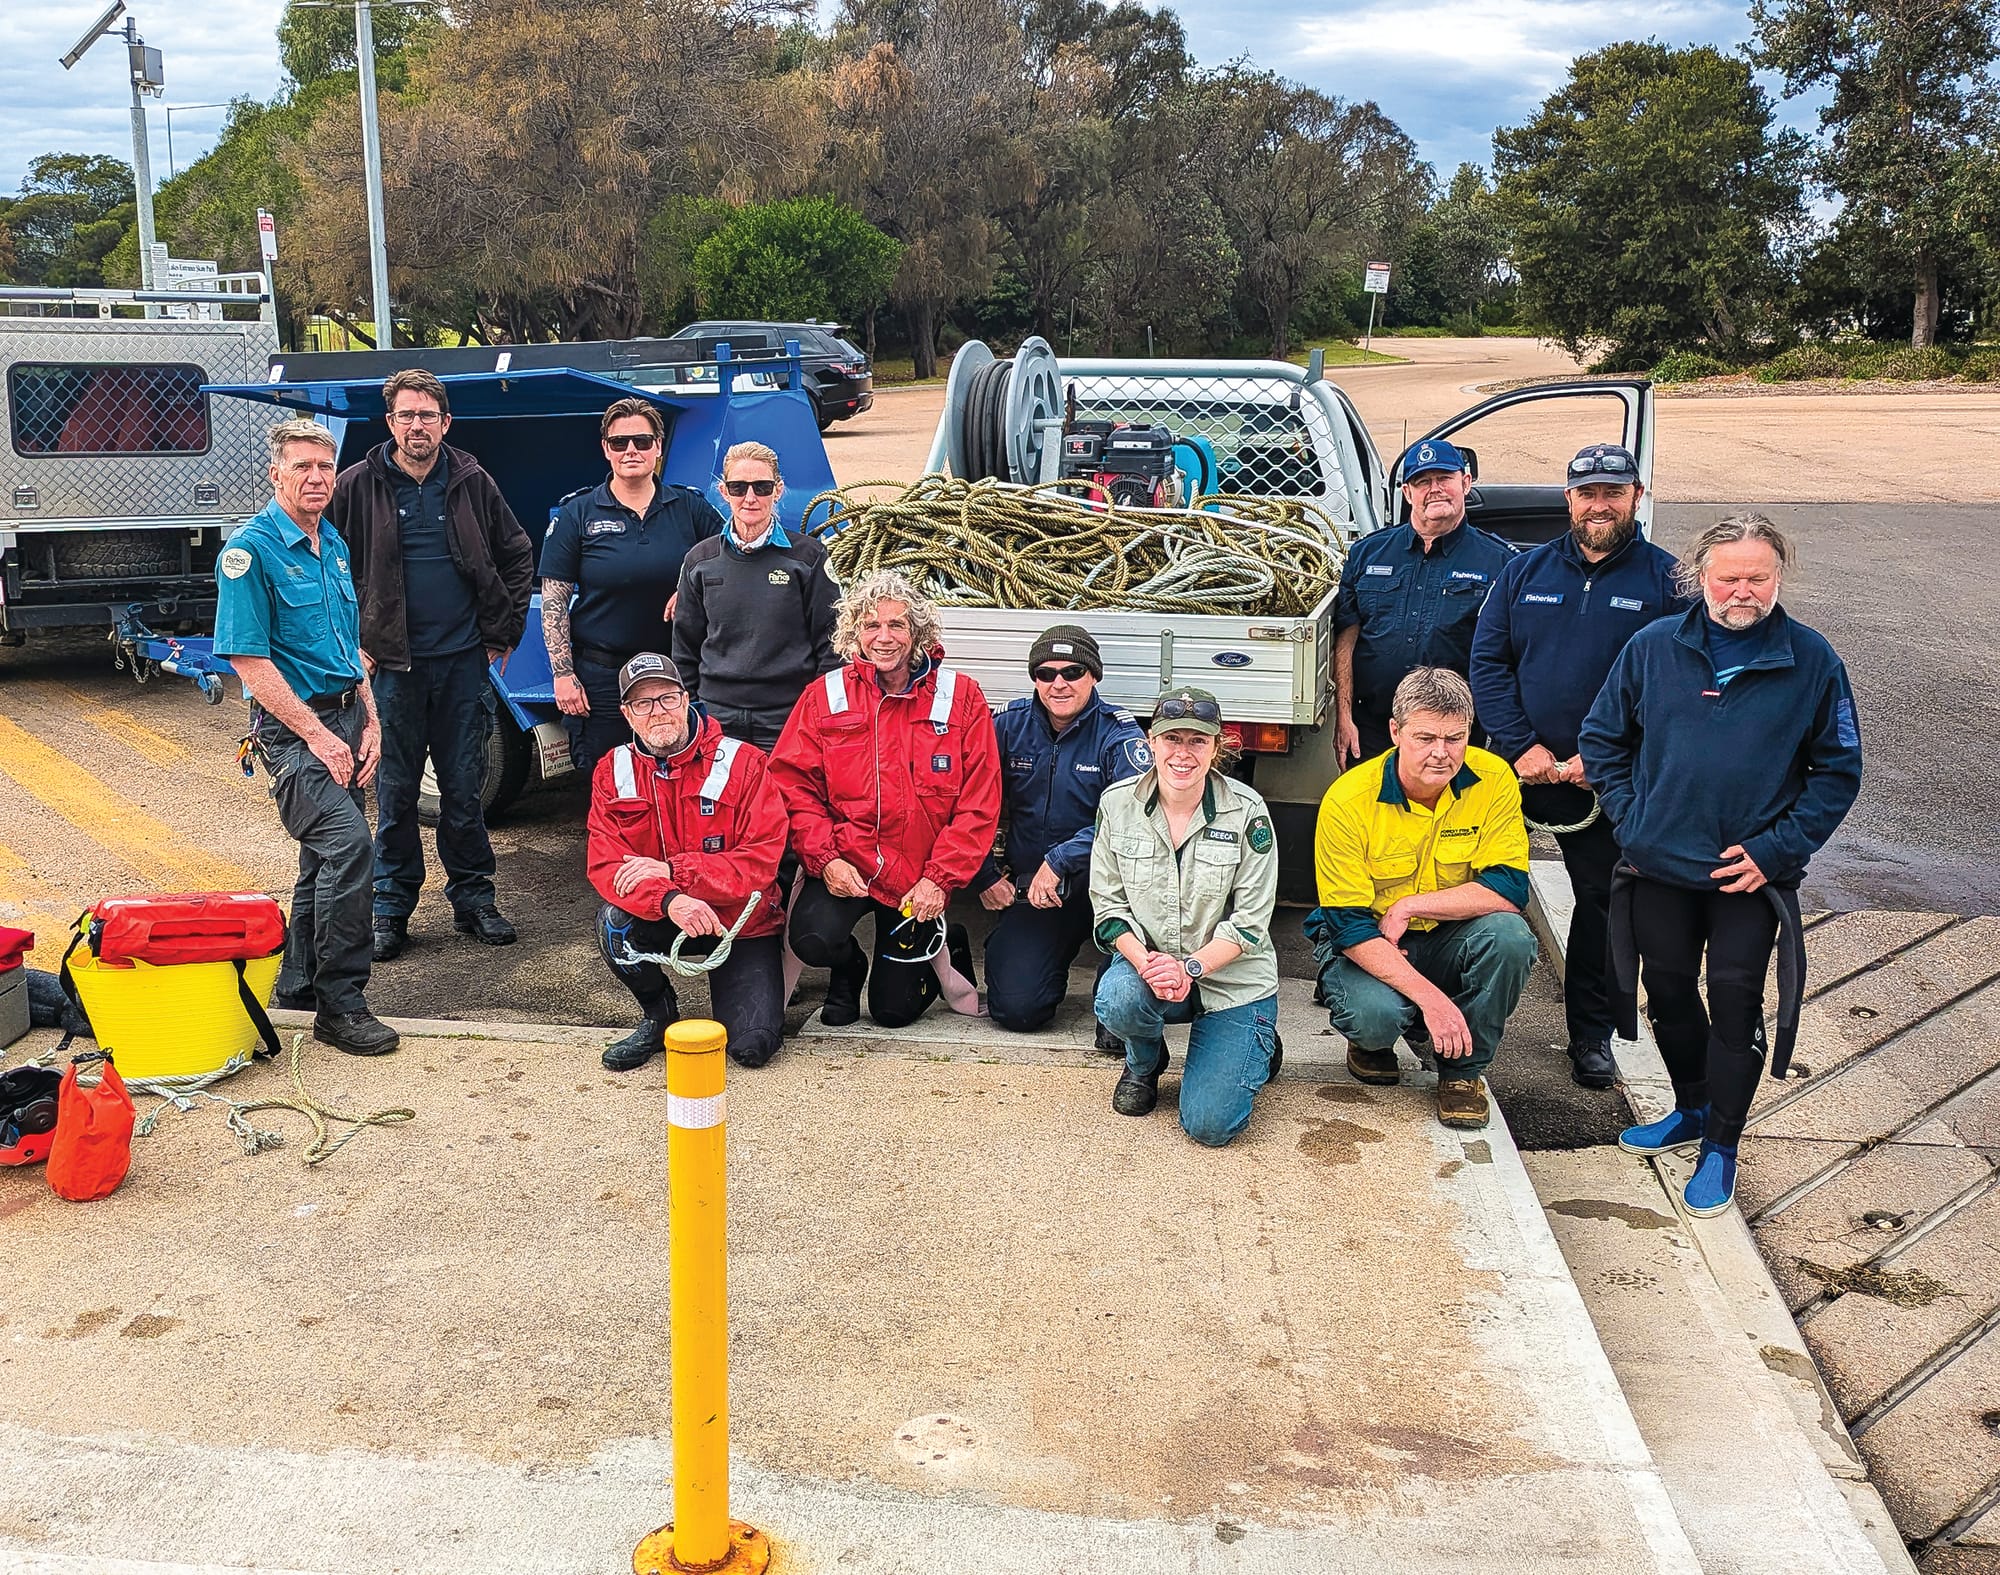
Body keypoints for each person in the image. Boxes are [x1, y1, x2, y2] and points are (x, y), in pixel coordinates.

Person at [1581, 514, 1861, 1217]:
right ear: (1699, 577)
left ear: (1778, 577)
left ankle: (1723, 1147)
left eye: (1757, 577)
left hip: (1749, 877)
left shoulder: (1813, 660)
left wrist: (1775, 851)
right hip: (1659, 867)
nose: (1744, 590)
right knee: (1670, 992)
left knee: (1734, 1001)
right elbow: (1602, 737)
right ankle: (1692, 1107)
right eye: (1729, 577)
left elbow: (1837, 771)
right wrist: (1634, 820)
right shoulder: (1651, 648)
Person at [1468, 441, 1685, 1090]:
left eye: (1612, 493)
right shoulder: (1525, 572)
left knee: (1604, 907)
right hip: (1521, 771)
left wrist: (1611, 755)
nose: (1599, 505)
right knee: (1467, 878)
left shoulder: (1669, 584)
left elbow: (1678, 687)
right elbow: (1489, 662)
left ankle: (1592, 1034)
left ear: (1636, 498)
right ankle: (1449, 1008)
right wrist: (1519, 743)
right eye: (1587, 493)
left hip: (1606, 780)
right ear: (1569, 499)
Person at [328, 367, 536, 964]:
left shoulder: (471, 480)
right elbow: (326, 568)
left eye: (427, 415)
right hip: (391, 668)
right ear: (389, 422)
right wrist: (353, 642)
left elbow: (517, 555)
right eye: (405, 415)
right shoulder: (357, 485)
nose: (416, 425)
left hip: (464, 664)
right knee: (394, 795)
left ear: (446, 422)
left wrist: (503, 630)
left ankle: (475, 902)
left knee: (464, 791)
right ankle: (390, 910)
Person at [214, 419, 397, 1057]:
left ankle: (296, 982)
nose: (316, 478)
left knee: (321, 859)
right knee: (350, 848)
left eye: (324, 466)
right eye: (301, 467)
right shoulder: (249, 552)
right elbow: (248, 662)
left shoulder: (334, 544)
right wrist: (319, 735)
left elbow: (348, 647)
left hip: (346, 716)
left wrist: (370, 718)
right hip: (295, 730)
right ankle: (342, 1005)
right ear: (275, 473)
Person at [1308, 667, 1537, 1130]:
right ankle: (1372, 1040)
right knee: (1375, 1017)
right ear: (1395, 732)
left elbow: (1510, 888)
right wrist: (1434, 1001)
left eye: (1456, 738)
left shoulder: (1494, 779)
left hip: (1450, 936)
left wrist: (1411, 904)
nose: (1442, 753)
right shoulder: (1349, 799)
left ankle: (1461, 1073)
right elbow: (1349, 926)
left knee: (1511, 938)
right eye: (1426, 737)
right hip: (1373, 942)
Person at [770, 570, 1000, 1028]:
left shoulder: (961, 697)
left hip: (916, 878)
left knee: (892, 1012)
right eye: (871, 625)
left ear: (917, 632)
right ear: (854, 631)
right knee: (811, 938)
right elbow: (792, 787)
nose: (884, 637)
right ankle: (848, 970)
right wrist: (825, 859)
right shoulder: (824, 696)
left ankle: (948, 942)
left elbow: (980, 802)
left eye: (897, 625)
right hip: (849, 864)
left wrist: (940, 878)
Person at [1090, 687, 1281, 1146]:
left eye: (1198, 741)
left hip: (1230, 978)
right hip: (1151, 968)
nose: (1183, 753)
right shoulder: (1117, 805)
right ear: (1150, 742)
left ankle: (1255, 1042)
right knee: (1117, 997)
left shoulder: (1248, 812)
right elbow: (1109, 907)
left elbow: (1251, 923)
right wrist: (1146, 963)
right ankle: (1144, 1063)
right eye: (1172, 738)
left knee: (1210, 1127)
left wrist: (1190, 967)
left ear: (1217, 748)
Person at [586, 652, 789, 1073]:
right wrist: (670, 900)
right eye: (642, 703)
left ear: (686, 700)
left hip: (740, 924)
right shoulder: (612, 770)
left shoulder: (745, 762)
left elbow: (761, 861)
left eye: (666, 698)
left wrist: (676, 871)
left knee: (752, 1047)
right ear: (627, 714)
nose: (657, 712)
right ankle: (658, 1018)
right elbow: (607, 866)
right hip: (672, 914)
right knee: (614, 925)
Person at [976, 625, 1151, 1044]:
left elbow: (1134, 820)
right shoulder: (1007, 726)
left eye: (1072, 672)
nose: (1058, 683)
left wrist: (1059, 859)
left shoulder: (1118, 735)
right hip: (1035, 892)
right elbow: (968, 804)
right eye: (1046, 673)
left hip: (1108, 890)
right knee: (1017, 1010)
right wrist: (982, 875)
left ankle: (1112, 983)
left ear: (1094, 676)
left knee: (1117, 1029)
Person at [540, 397, 724, 779]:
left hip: (677, 671)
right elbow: (554, 601)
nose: (631, 451)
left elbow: (732, 558)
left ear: (658, 446)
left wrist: (692, 587)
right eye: (619, 442)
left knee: (683, 775)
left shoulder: (690, 507)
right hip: (604, 678)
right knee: (611, 779)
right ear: (606, 448)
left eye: (641, 441)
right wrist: (563, 674)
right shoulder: (578, 513)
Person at [1333, 438, 1512, 768]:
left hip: (1454, 736)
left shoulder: (1501, 563)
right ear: (1407, 493)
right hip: (1373, 729)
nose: (1435, 489)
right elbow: (1346, 637)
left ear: (1465, 483)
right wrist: (1344, 717)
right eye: (1422, 481)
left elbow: (1508, 653)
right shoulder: (1367, 553)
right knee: (1373, 816)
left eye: (1444, 478)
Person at [671, 440, 840, 751]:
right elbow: (685, 650)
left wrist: (814, 710)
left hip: (787, 718)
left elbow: (831, 645)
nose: (750, 498)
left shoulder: (808, 557)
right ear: (724, 492)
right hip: (717, 719)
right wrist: (693, 710)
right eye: (738, 487)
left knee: (786, 801)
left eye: (761, 487)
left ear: (777, 490)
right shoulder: (699, 561)